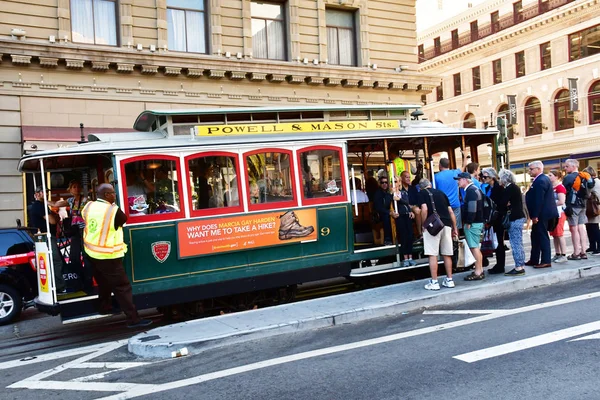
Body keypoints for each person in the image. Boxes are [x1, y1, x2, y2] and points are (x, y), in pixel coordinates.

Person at [81, 184, 152, 329]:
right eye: (113, 193)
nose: (115, 195)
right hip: (107, 254)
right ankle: (133, 319)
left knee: (104, 282)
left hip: (90, 251)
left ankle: (104, 307)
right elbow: (123, 219)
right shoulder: (113, 210)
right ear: (107, 195)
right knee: (122, 286)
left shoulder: (88, 206)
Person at [418, 178, 458, 290]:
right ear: (430, 184)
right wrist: (454, 227)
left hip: (433, 225)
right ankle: (449, 280)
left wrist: (423, 224)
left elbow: (424, 209)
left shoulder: (422, 193)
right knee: (447, 253)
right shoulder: (442, 193)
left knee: (432, 254)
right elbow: (451, 212)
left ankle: (435, 282)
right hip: (446, 225)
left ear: (421, 187)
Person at [28, 186, 66, 293]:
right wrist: (55, 216)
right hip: (46, 236)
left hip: (45, 236)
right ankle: (59, 287)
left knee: (52, 261)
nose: (47, 194)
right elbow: (53, 221)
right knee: (55, 261)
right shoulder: (39, 206)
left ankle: (54, 286)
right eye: (44, 192)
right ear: (38, 194)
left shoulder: (41, 205)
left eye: (47, 192)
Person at [525, 160, 558, 268]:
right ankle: (534, 258)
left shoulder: (541, 180)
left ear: (539, 169)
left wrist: (535, 216)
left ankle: (546, 260)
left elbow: (539, 200)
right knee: (535, 236)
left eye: (531, 169)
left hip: (542, 214)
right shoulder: (539, 180)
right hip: (541, 213)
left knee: (542, 236)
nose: (529, 171)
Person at [455, 172, 485, 280]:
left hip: (473, 223)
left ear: (465, 180)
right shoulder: (474, 189)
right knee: (475, 246)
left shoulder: (471, 191)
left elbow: (472, 208)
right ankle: (479, 269)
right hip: (477, 222)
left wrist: (468, 222)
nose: (458, 181)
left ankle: (478, 271)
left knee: (474, 247)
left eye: (459, 179)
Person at [65, 180, 94, 291]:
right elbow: (57, 204)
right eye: (74, 187)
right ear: (70, 189)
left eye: (78, 187)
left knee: (86, 256)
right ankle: (80, 279)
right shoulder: (70, 200)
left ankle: (88, 282)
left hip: (85, 230)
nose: (76, 189)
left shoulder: (86, 200)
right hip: (75, 231)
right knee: (73, 256)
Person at [498, 169, 527, 276]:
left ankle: (519, 267)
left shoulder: (509, 188)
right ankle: (521, 264)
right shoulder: (515, 187)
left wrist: (506, 204)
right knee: (518, 242)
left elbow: (502, 203)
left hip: (514, 218)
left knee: (515, 243)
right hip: (519, 216)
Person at [481, 167, 506, 274]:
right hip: (490, 218)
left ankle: (500, 265)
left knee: (499, 242)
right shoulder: (487, 188)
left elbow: (501, 204)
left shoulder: (498, 188)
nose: (483, 178)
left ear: (492, 177)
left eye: (485, 176)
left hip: (498, 218)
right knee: (495, 241)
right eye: (483, 176)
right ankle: (498, 264)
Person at [562, 158, 588, 260]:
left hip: (572, 205)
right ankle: (583, 252)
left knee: (574, 228)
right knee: (581, 227)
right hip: (583, 205)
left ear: (574, 166)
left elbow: (564, 191)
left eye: (567, 166)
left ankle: (576, 252)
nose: (565, 168)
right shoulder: (585, 176)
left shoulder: (568, 177)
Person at [392, 171, 417, 266]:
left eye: (396, 181)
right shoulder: (391, 195)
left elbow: (407, 202)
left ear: (399, 182)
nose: (395, 183)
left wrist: (400, 200)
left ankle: (410, 257)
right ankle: (405, 258)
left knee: (409, 235)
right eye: (393, 182)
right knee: (403, 236)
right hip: (400, 216)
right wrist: (392, 197)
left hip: (407, 215)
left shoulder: (403, 193)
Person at [434, 157, 462, 228]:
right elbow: (463, 167)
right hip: (455, 203)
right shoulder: (455, 173)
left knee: (446, 227)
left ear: (440, 165)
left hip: (444, 205)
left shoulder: (436, 176)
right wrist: (464, 156)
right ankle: (456, 238)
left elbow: (434, 190)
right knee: (456, 226)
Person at [548, 170, 568, 263]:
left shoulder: (560, 187)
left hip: (559, 213)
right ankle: (557, 253)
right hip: (553, 213)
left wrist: (550, 204)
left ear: (556, 177)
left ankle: (564, 254)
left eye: (550, 175)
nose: (549, 177)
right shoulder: (551, 187)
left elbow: (561, 201)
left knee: (559, 234)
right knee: (554, 235)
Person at [583, 166, 600, 255]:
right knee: (590, 227)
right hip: (592, 207)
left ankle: (598, 247)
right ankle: (593, 246)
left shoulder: (595, 182)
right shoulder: (594, 181)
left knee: (594, 227)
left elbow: (594, 195)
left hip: (594, 207)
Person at [373, 176, 394, 245]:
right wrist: (388, 212)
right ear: (379, 184)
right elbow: (378, 207)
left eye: (386, 182)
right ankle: (387, 239)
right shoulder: (377, 193)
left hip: (390, 211)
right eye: (382, 182)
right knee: (386, 217)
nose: (384, 184)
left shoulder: (390, 192)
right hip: (380, 214)